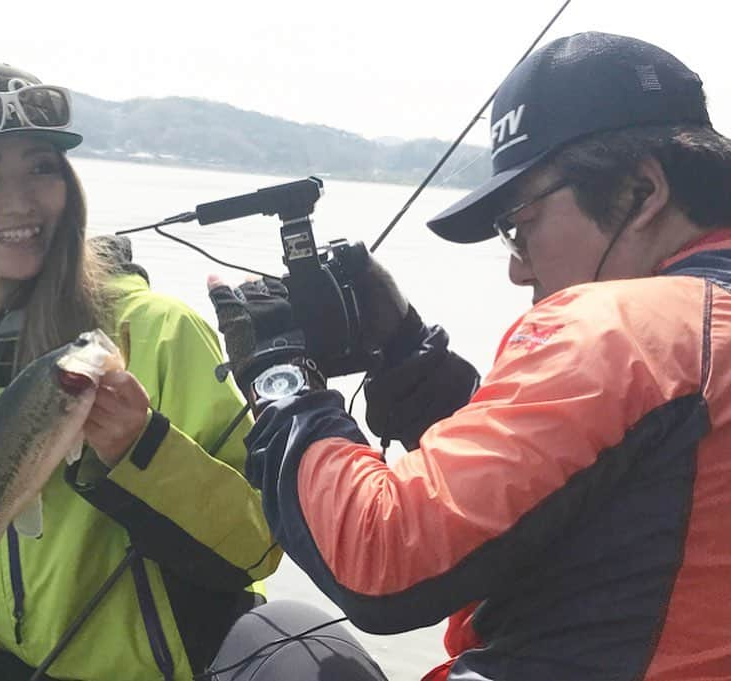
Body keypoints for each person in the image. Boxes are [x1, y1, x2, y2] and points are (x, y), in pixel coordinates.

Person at [207, 32, 731, 680]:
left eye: (521, 223)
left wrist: (281, 377)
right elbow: (591, 497)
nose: (516, 269)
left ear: (640, 193)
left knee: (275, 637)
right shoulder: (702, 340)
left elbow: (378, 553)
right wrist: (405, 355)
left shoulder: (626, 328)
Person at [0, 61, 284, 681]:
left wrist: (144, 449)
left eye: (42, 167)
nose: (21, 200)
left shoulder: (160, 332)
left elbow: (259, 546)